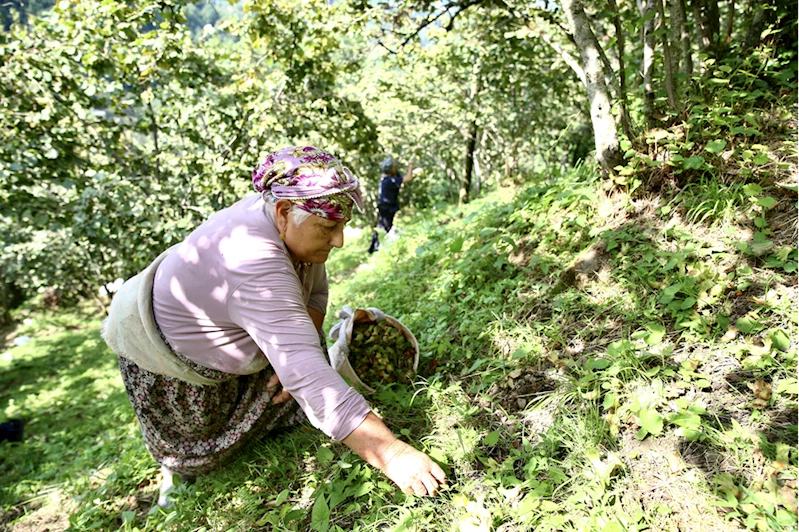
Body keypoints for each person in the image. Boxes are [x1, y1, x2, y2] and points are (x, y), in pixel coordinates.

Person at [102, 146, 446, 508]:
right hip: (164, 354)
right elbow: (310, 378)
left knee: (289, 396)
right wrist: (391, 453)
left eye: (342, 226)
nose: (339, 241)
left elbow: (316, 295)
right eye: (328, 227)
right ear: (283, 213)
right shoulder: (256, 263)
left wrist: (295, 357)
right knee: (199, 448)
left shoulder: (289, 219)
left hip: (230, 335)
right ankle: (177, 473)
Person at [367, 155, 416, 254]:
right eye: (394, 166)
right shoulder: (389, 181)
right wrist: (411, 164)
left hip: (385, 205)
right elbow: (408, 178)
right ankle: (376, 249)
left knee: (382, 226)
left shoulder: (388, 178)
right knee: (384, 228)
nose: (396, 167)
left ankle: (373, 249)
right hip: (387, 206)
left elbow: (404, 177)